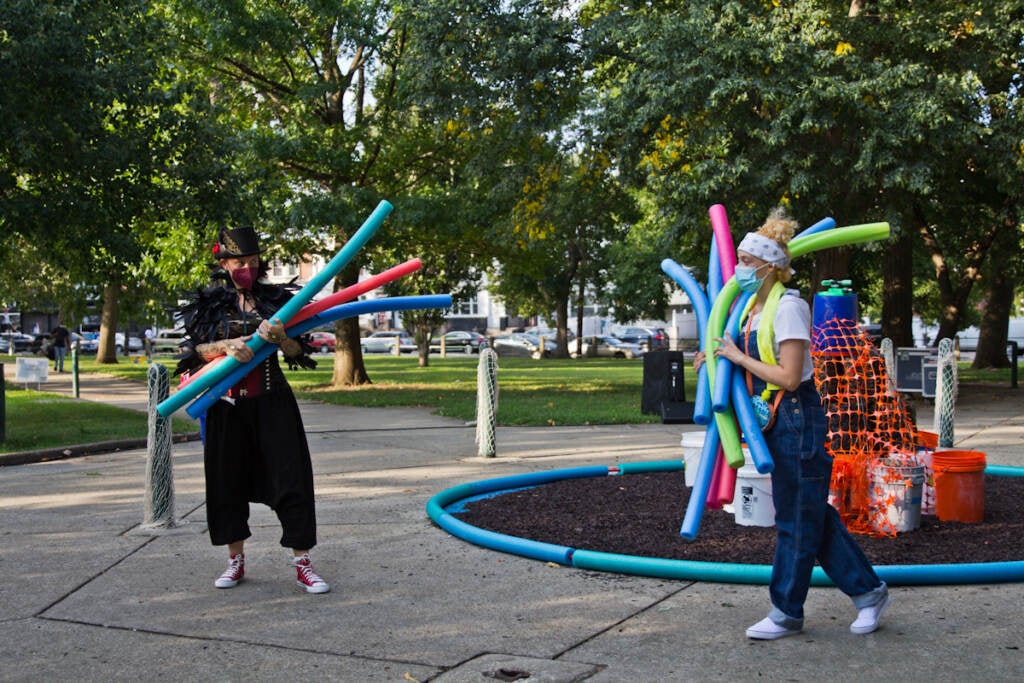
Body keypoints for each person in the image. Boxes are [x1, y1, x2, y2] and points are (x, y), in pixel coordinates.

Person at [695, 208, 890, 639]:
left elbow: (787, 374)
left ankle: (786, 611)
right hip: (776, 421)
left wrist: (738, 357)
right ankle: (869, 592)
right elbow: (746, 357)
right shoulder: (750, 308)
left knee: (796, 520)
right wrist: (714, 359)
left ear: (769, 267)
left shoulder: (789, 308)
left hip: (799, 418)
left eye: (746, 262)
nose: (739, 270)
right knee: (806, 515)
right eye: (739, 259)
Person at [175, 225, 329, 594]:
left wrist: (284, 339)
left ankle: (303, 563)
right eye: (240, 262)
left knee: (292, 479)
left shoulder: (277, 302)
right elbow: (191, 355)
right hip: (226, 407)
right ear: (224, 263)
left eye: (255, 262)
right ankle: (235, 561)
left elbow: (299, 354)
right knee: (226, 483)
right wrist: (226, 346)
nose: (248, 268)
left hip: (274, 403)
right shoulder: (209, 304)